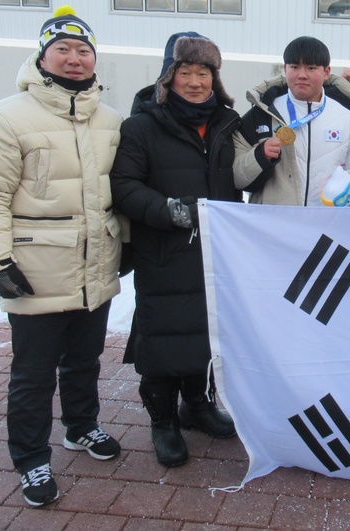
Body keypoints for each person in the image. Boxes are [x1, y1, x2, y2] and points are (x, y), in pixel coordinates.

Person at [0, 6, 124, 507]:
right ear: (42, 55)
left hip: (95, 265)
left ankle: (81, 426)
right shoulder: (6, 117)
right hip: (36, 269)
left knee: (85, 360)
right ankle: (31, 459)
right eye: (63, 50)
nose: (74, 59)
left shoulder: (111, 119)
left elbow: (120, 189)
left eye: (83, 51)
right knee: (32, 373)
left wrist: (129, 243)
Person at [110, 33, 240, 468]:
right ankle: (163, 421)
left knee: (206, 334)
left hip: (213, 254)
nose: (195, 82)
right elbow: (124, 187)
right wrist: (171, 211)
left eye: (203, 73)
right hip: (164, 250)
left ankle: (197, 406)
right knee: (164, 338)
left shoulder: (227, 122)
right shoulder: (142, 125)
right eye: (185, 72)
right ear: (168, 77)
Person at [233, 36, 350, 205]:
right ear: (285, 69)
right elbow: (237, 178)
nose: (302, 75)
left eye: (311, 68)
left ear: (326, 72)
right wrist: (260, 155)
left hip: (325, 223)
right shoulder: (263, 113)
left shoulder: (346, 117)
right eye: (294, 67)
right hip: (275, 223)